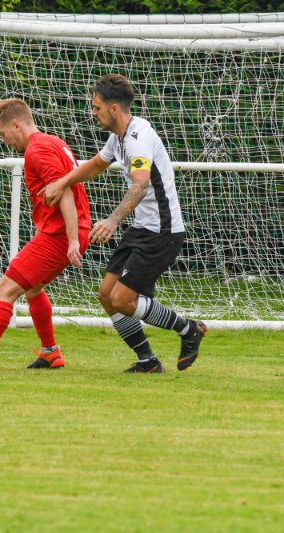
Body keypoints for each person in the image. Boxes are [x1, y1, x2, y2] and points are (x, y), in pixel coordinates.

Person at [41, 74, 206, 373]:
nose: (93, 113)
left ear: (114, 108)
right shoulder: (118, 136)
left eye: (97, 108)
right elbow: (96, 165)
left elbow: (140, 186)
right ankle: (148, 361)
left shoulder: (137, 139)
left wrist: (113, 220)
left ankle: (188, 329)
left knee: (122, 299)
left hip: (162, 231)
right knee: (107, 295)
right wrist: (62, 182)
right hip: (143, 228)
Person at [0, 98, 91, 372]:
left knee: (4, 290)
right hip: (67, 231)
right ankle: (50, 353)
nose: (3, 139)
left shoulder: (36, 150)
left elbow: (63, 191)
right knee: (32, 288)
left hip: (60, 235)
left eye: (3, 133)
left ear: (17, 125)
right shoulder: (53, 141)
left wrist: (72, 239)